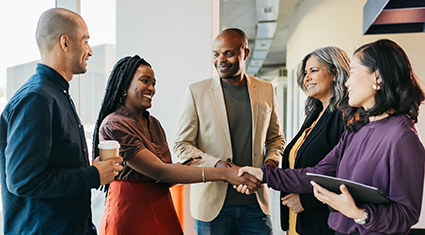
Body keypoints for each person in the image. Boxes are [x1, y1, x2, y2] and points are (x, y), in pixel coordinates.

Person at [238, 39, 425, 235]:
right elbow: (318, 173)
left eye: (352, 72)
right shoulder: (359, 128)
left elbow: (406, 214)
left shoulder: (402, 136)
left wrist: (359, 213)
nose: (347, 82)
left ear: (377, 77)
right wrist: (263, 174)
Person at [92, 55, 262, 235]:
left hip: (161, 207)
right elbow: (161, 172)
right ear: (125, 85)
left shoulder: (154, 123)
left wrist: (191, 165)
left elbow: (163, 175)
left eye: (154, 83)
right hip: (130, 212)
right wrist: (224, 173)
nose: (151, 88)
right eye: (145, 81)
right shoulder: (114, 125)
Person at [0, 8, 123, 235]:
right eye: (85, 41)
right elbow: (23, 180)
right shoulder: (37, 98)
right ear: (65, 43)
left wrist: (94, 169)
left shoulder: (55, 93)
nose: (90, 51)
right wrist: (93, 175)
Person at [173, 28, 285, 234]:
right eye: (216, 54)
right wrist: (220, 167)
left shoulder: (266, 89)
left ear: (245, 53)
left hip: (255, 203)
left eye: (229, 53)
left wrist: (267, 168)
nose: (220, 60)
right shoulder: (196, 92)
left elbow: (276, 139)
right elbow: (182, 145)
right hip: (212, 207)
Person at [281, 46, 350, 235]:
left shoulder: (344, 116)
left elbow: (346, 177)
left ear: (335, 72)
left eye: (313, 71)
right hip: (298, 221)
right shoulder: (315, 113)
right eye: (305, 73)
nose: (306, 78)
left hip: (321, 223)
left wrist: (306, 201)